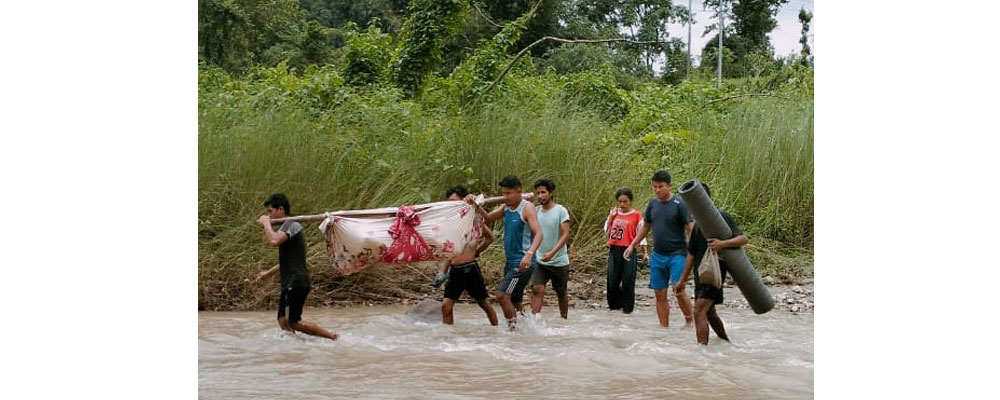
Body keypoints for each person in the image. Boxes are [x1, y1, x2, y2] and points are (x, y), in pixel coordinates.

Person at [254, 193, 339, 341]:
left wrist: (266, 223)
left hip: (296, 281)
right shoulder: (287, 227)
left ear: (281, 209)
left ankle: (332, 337)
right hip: (291, 281)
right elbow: (288, 261)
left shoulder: (292, 225)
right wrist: (268, 273)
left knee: (293, 322)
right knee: (283, 320)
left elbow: (274, 240)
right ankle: (296, 348)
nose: (269, 215)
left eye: (270, 211)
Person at [466, 175, 543, 330]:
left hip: (523, 263)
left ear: (519, 191)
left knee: (502, 295)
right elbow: (487, 218)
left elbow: (539, 234)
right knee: (515, 300)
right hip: (511, 262)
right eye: (503, 193)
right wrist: (475, 204)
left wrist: (529, 255)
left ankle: (512, 332)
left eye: (508, 193)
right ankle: (528, 330)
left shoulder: (527, 207)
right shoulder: (506, 207)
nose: (505, 197)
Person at [677, 183, 748, 345]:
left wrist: (722, 244)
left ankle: (702, 352)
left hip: (714, 273)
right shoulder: (696, 225)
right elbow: (691, 254)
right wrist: (682, 280)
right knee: (709, 313)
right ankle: (726, 342)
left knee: (698, 310)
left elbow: (743, 239)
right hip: (700, 275)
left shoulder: (721, 218)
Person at [624, 170, 694, 328]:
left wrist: (695, 250)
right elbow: (646, 227)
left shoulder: (679, 204)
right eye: (654, 187)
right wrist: (632, 244)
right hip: (658, 255)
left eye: (660, 186)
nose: (657, 190)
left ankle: (690, 321)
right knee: (659, 293)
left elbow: (690, 228)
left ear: (669, 186)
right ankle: (664, 327)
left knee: (678, 289)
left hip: (678, 254)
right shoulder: (652, 204)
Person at [437, 185, 499, 326]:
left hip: (470, 269)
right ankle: (447, 338)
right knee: (446, 306)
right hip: (455, 271)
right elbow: (450, 251)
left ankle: (496, 331)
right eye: (449, 202)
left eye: (454, 201)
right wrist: (442, 272)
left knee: (484, 304)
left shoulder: (473, 221)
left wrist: (478, 252)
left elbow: (490, 238)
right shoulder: (450, 225)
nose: (451, 205)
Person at [528, 179, 571, 319]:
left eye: (543, 192)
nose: (540, 196)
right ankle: (534, 322)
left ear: (551, 193)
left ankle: (564, 319)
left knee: (561, 292)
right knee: (537, 289)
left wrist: (553, 253)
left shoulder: (561, 211)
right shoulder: (535, 211)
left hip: (559, 260)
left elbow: (565, 234)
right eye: (538, 193)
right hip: (540, 259)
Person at [603, 188, 648, 314]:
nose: (622, 204)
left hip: (629, 250)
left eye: (625, 202)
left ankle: (627, 309)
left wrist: (645, 252)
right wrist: (611, 217)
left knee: (628, 280)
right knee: (612, 281)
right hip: (614, 249)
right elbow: (607, 232)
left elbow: (641, 234)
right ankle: (614, 308)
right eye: (620, 202)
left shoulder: (636, 215)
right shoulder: (614, 214)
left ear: (630, 201)